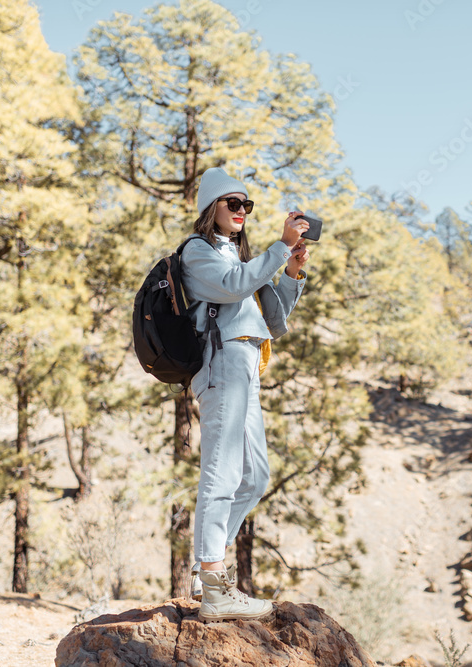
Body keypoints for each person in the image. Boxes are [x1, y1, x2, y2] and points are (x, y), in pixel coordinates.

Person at [179, 166, 310, 623]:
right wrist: (277, 246)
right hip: (222, 362)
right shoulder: (199, 252)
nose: (240, 211)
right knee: (223, 469)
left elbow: (273, 321)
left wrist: (290, 271)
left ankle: (206, 569)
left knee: (254, 477)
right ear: (210, 208)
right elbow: (234, 288)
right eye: (232, 203)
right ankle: (214, 583)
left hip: (248, 364)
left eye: (245, 205)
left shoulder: (240, 257)